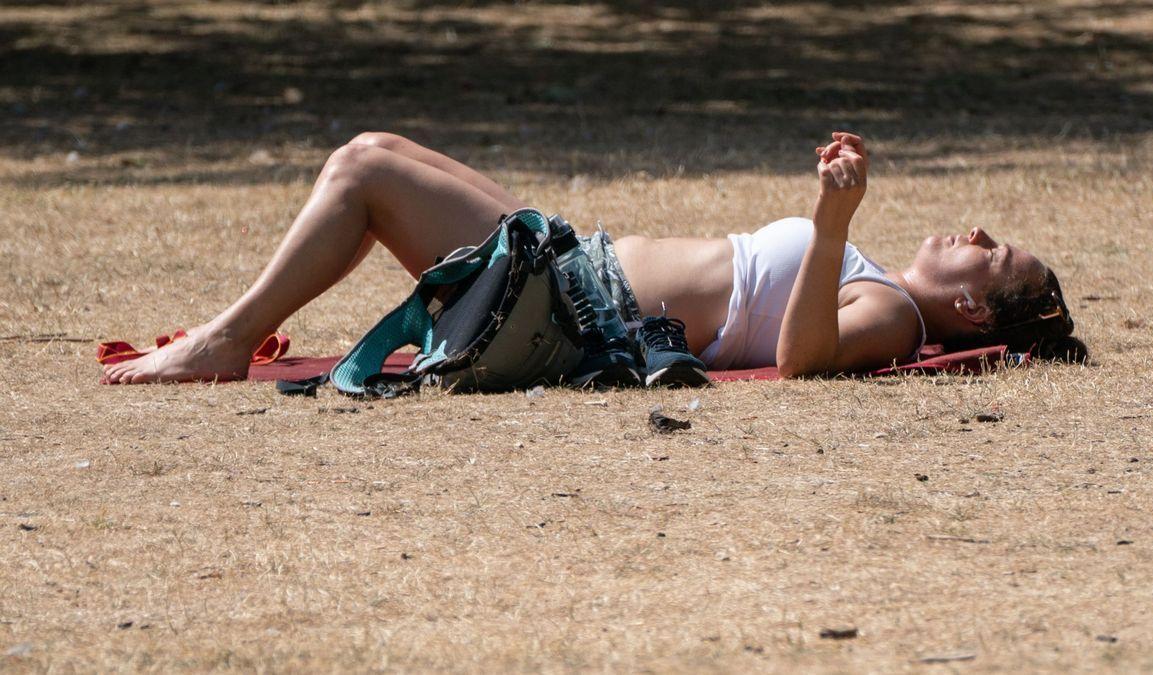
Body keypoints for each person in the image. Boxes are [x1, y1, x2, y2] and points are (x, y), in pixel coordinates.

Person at [101, 131, 1085, 385]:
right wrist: (835, 228)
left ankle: (224, 342)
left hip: (565, 310)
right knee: (374, 160)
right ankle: (228, 334)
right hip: (568, 271)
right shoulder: (876, 279)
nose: (978, 238)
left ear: (973, 316)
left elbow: (803, 362)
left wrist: (830, 228)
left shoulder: (897, 319)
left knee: (365, 167)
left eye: (994, 260)